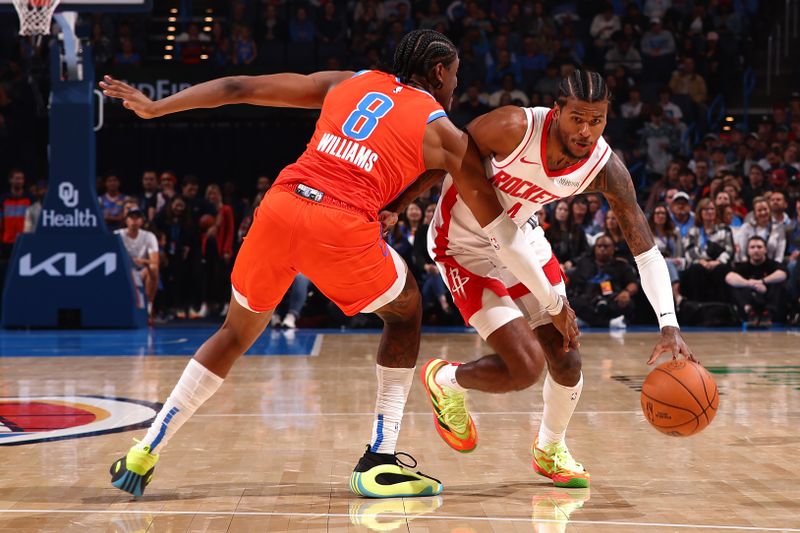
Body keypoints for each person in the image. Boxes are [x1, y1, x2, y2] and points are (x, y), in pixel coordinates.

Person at [100, 29, 566, 499]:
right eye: (455, 77)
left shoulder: (349, 81)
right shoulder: (442, 130)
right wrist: (550, 302)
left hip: (280, 207)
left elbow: (238, 88)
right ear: (440, 72)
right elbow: (501, 230)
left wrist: (156, 107)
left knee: (234, 333)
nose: (455, 88)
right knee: (405, 311)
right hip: (340, 224)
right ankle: (380, 461)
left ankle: (145, 451)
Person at [386, 70, 693, 489]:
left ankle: (550, 449)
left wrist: (669, 324)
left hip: (521, 239)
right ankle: (444, 379)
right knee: (525, 367)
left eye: (597, 121)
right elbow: (443, 156)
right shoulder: (513, 127)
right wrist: (401, 203)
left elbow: (645, 248)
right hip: (463, 249)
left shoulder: (605, 169)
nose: (586, 131)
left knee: (566, 356)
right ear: (557, 111)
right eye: (577, 119)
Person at [725, 236, 788, 327]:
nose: (756, 250)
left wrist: (762, 281)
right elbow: (729, 277)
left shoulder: (773, 265)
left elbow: (783, 274)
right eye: (752, 247)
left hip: (769, 303)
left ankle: (768, 314)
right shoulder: (742, 266)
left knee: (778, 282)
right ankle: (750, 312)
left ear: (765, 250)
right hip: (749, 304)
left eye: (759, 247)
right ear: (748, 250)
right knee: (737, 284)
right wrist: (749, 284)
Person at [116, 208, 159, 320]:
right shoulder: (117, 235)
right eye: (131, 218)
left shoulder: (149, 236)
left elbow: (155, 261)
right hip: (124, 270)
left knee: (153, 268)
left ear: (142, 221)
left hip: (142, 270)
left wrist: (142, 261)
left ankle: (149, 305)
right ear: (126, 220)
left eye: (137, 218)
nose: (134, 221)